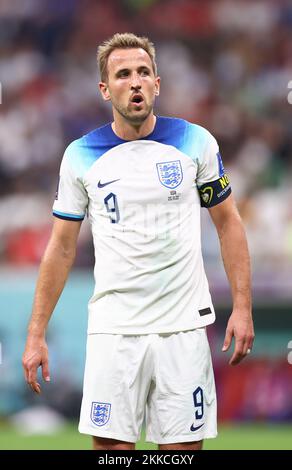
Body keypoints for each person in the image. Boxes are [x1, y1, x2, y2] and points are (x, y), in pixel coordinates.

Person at [22, 32, 254, 451]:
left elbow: (229, 224)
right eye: (123, 74)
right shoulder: (80, 155)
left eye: (144, 72)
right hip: (115, 329)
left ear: (157, 83)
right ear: (105, 89)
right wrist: (36, 333)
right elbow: (61, 247)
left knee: (181, 453)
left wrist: (242, 306)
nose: (135, 82)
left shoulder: (195, 142)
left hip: (182, 327)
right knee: (112, 453)